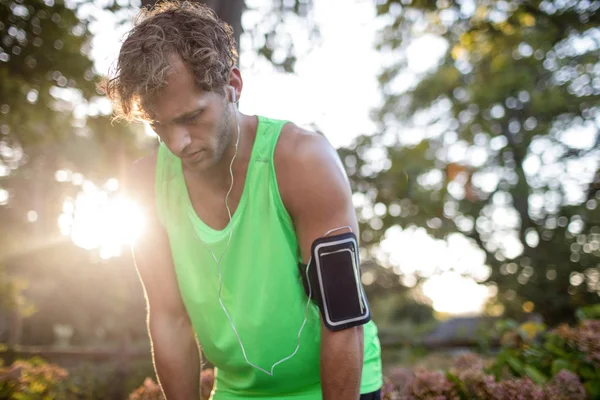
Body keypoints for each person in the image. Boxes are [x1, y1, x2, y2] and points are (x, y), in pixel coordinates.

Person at [102, 2, 382, 399]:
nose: (177, 143)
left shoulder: (304, 162)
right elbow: (169, 320)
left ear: (233, 85)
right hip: (238, 390)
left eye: (190, 117)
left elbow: (343, 319)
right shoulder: (145, 184)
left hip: (336, 383)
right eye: (158, 125)